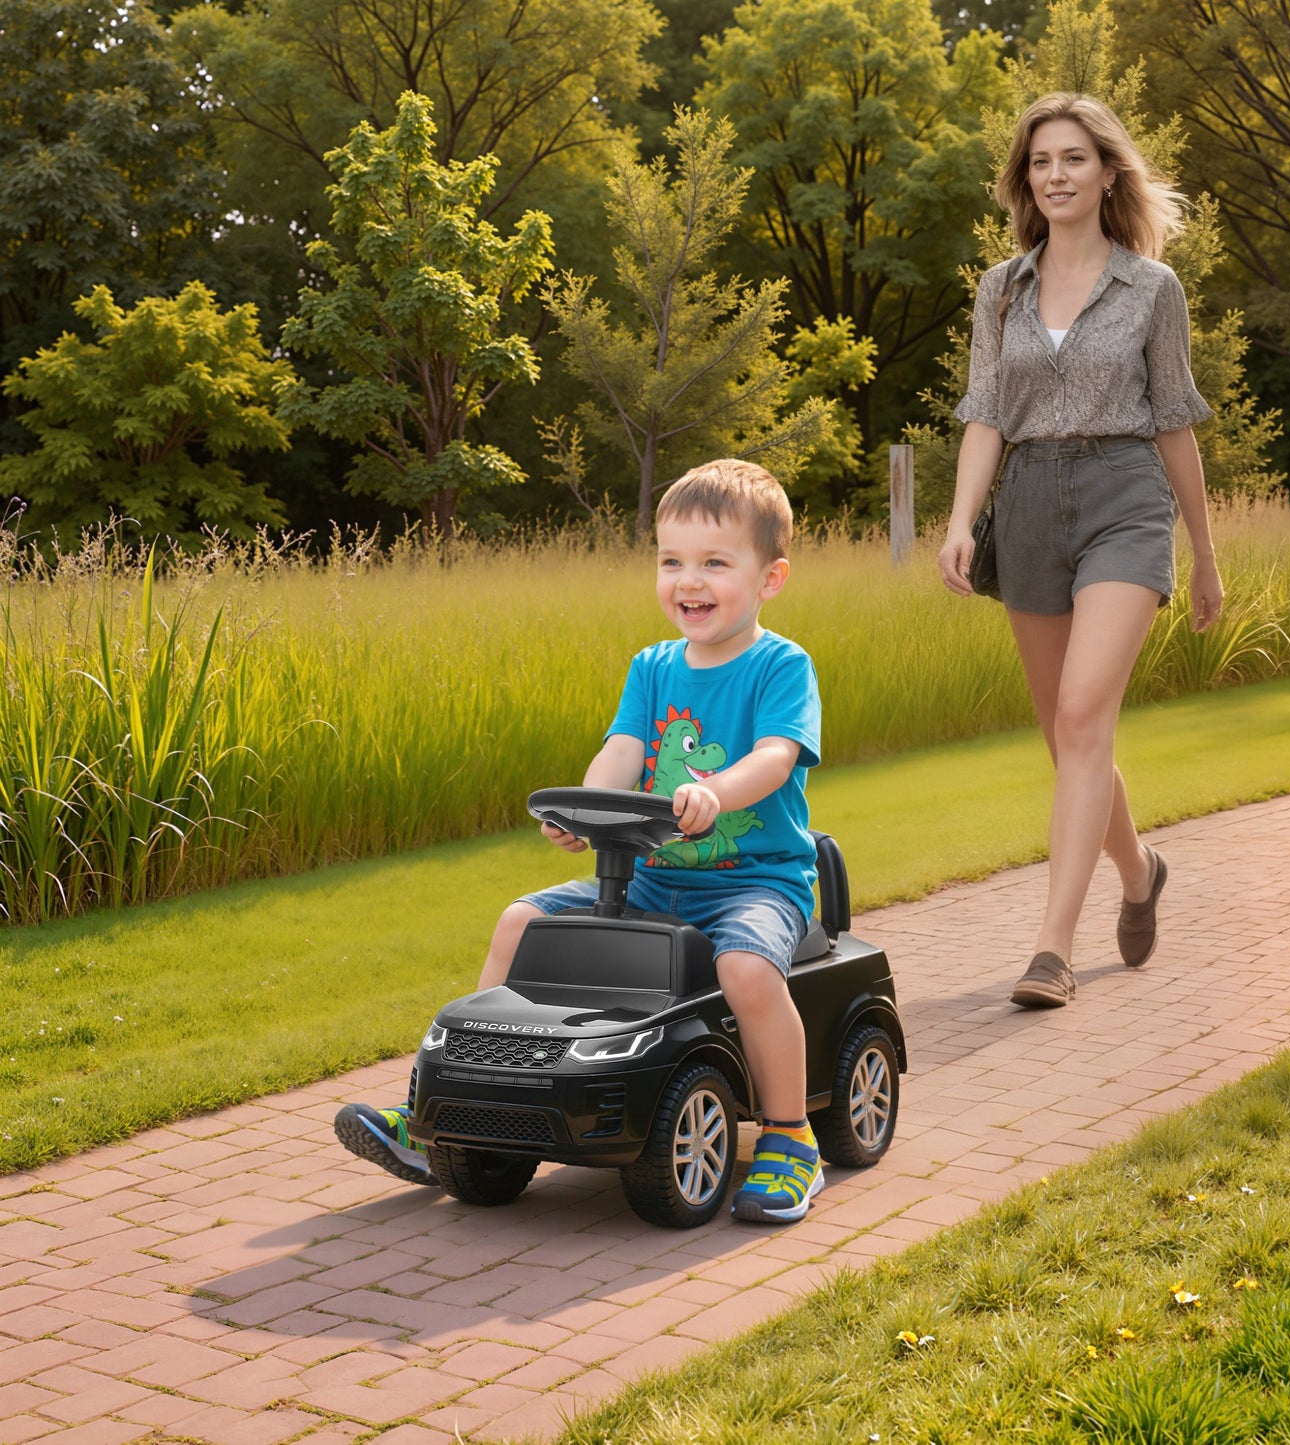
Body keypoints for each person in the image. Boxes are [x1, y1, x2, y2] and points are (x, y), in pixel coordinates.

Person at [335, 459, 826, 1223]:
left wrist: (713, 790)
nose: (687, 581)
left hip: (752, 881)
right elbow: (622, 752)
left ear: (770, 578)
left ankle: (790, 1140)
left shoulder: (778, 664)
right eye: (671, 561)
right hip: (651, 881)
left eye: (714, 563)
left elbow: (775, 757)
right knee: (520, 921)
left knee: (745, 969)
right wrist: (586, 811)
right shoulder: (652, 666)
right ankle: (432, 1111)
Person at [938, 92, 1224, 1009]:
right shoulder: (1000, 287)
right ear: (1025, 180)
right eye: (1038, 162)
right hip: (1025, 504)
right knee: (1067, 737)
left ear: (1107, 172)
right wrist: (957, 519)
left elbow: (1176, 423)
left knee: (1082, 711)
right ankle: (1139, 872)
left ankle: (1050, 949)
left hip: (1124, 499)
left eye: (1071, 159)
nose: (1054, 175)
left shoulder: (1151, 288)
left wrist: (1206, 555)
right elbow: (984, 411)